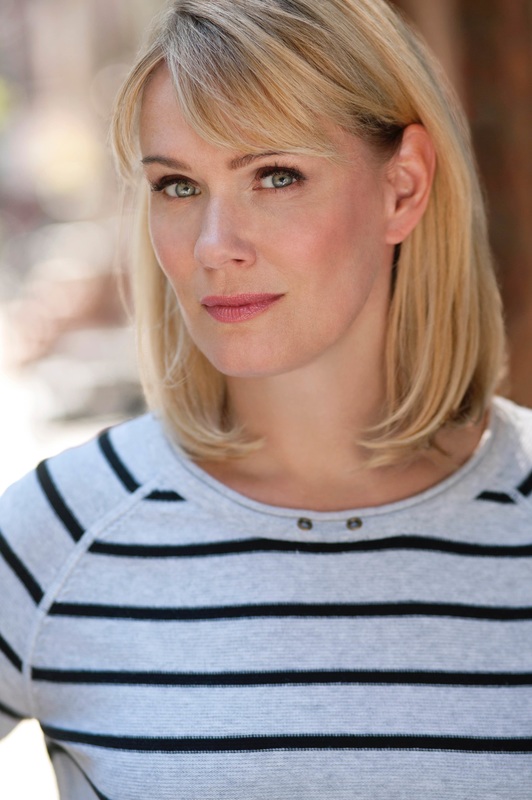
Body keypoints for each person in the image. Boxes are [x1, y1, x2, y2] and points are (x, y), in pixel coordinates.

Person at [1, 0, 531, 797]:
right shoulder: (64, 531)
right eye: (178, 185)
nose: (215, 246)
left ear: (403, 188)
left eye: (275, 176)